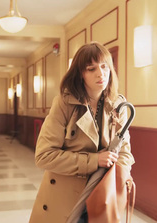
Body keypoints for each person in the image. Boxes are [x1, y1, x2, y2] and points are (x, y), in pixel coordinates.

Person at [29, 42, 135, 223]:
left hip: (104, 195)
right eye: (91, 69)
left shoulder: (119, 105)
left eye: (104, 66)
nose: (101, 73)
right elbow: (44, 156)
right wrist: (94, 161)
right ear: (80, 74)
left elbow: (125, 152)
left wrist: (118, 177)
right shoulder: (64, 103)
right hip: (67, 198)